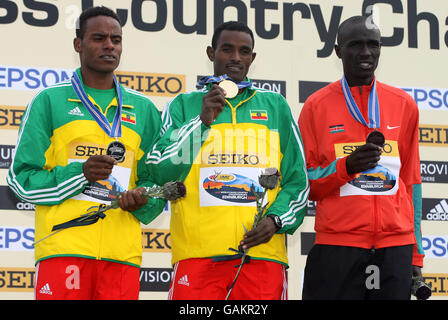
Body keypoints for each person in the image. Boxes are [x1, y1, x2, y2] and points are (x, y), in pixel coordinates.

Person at [7, 6, 166, 300]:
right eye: (99, 38)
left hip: (122, 256)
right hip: (64, 249)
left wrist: (140, 201)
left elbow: (156, 181)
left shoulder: (143, 109)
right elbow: (21, 180)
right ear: (78, 45)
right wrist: (79, 173)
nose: (109, 45)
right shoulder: (49, 101)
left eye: (116, 40)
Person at [144, 21, 309, 300]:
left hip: (262, 257)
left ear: (252, 58)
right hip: (198, 257)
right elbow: (159, 169)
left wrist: (276, 219)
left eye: (244, 51)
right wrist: (201, 121)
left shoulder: (275, 106)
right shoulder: (183, 105)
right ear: (211, 53)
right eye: (227, 49)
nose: (235, 58)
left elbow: (298, 181)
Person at [298, 15, 424, 300]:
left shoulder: (403, 105)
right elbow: (305, 182)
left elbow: (411, 183)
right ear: (338, 50)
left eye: (373, 45)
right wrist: (346, 167)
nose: (366, 52)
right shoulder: (316, 106)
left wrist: (415, 252)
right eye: (356, 45)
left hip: (395, 248)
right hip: (338, 247)